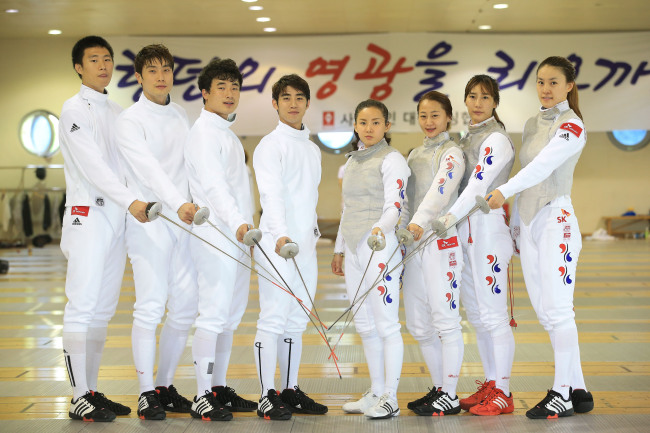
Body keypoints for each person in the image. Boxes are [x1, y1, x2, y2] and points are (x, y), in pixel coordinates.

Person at [486, 56, 593, 419]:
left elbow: (542, 166)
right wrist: (516, 223)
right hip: (530, 223)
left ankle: (561, 392)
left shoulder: (573, 125)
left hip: (556, 221)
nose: (545, 89)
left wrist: (503, 191)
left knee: (559, 310)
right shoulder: (533, 123)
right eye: (540, 82)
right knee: (547, 313)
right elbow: (525, 169)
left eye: (553, 82)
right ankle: (578, 388)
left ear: (568, 86)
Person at [59, 35, 149, 422]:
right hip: (87, 217)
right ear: (79, 66)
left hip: (118, 219)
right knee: (81, 306)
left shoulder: (117, 111)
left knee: (102, 310)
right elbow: (93, 166)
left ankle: (90, 390)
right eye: (94, 59)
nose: (102, 65)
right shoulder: (72, 109)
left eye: (108, 59)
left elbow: (131, 166)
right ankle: (78, 395)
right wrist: (131, 200)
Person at [115, 44, 198, 421]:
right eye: (153, 71)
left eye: (166, 69)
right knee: (150, 307)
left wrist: (192, 204)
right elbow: (149, 170)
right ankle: (146, 393)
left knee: (184, 309)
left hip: (183, 222)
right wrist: (178, 201)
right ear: (139, 77)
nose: (161, 76)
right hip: (149, 221)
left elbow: (189, 166)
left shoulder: (181, 114)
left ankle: (164, 385)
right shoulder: (130, 120)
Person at [439, 75, 516, 416]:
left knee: (495, 317)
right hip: (465, 232)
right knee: (479, 316)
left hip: (487, 230)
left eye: (486, 97)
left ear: (495, 102)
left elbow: (477, 185)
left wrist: (445, 218)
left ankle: (504, 391)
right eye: (472, 96)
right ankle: (490, 383)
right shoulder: (466, 138)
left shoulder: (496, 139)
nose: (478, 102)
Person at [184, 58, 257, 421]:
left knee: (229, 316)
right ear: (205, 93)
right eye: (222, 87)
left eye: (234, 87)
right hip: (217, 235)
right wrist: (240, 223)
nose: (229, 94)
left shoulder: (225, 133)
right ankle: (201, 394)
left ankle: (218, 386)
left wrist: (246, 229)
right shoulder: (203, 133)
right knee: (213, 314)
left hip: (238, 237)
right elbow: (213, 187)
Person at [252, 74, 327, 420]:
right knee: (272, 319)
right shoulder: (270, 145)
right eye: (286, 98)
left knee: (296, 321)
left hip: (305, 247)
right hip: (277, 245)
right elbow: (271, 195)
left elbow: (307, 200)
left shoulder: (312, 148)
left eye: (299, 97)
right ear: (275, 103)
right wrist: (281, 235)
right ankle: (267, 394)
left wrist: (310, 236)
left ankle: (290, 389)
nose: (293, 103)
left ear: (308, 103)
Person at [332, 99, 410, 419]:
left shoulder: (392, 159)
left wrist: (380, 229)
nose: (369, 128)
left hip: (379, 246)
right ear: (355, 125)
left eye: (376, 122)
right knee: (364, 325)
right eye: (363, 123)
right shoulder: (351, 161)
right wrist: (339, 248)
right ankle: (376, 390)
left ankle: (390, 396)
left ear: (387, 126)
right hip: (353, 247)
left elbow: (395, 204)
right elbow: (346, 208)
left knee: (387, 325)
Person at [400, 91, 467, 416]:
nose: (429, 122)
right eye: (423, 115)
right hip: (414, 245)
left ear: (448, 118)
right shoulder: (413, 154)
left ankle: (451, 394)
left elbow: (440, 190)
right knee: (418, 323)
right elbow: (407, 198)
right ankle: (440, 387)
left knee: (446, 320)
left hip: (440, 242)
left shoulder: (451, 151)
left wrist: (417, 223)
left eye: (435, 115)